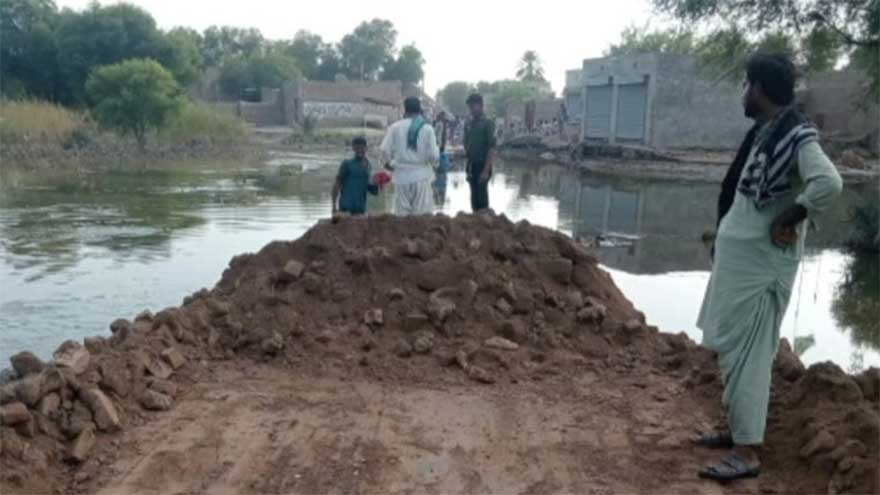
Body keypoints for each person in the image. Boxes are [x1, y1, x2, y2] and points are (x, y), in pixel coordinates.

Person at [694, 53, 842, 483]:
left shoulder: (797, 136)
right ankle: (738, 430)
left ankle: (747, 450)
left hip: (762, 269)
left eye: (746, 85)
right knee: (733, 350)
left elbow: (829, 183)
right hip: (743, 266)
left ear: (759, 88)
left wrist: (790, 216)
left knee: (752, 354)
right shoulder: (767, 133)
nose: (744, 93)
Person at [380, 97, 440, 216]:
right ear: (419, 110)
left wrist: (387, 164)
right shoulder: (427, 128)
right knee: (422, 215)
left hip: (401, 176)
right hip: (421, 176)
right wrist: (434, 165)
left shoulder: (395, 127)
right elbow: (434, 155)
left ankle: (404, 235)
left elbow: (384, 150)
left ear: (405, 110)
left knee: (402, 216)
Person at [331, 136, 380, 216]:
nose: (360, 151)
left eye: (362, 148)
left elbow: (373, 191)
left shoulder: (368, 166)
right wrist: (333, 206)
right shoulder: (347, 164)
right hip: (346, 208)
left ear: (366, 148)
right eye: (357, 148)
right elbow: (337, 185)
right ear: (353, 148)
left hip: (360, 210)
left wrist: (377, 184)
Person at [463, 93, 496, 212]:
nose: (471, 109)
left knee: (482, 200)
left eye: (473, 105)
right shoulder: (469, 123)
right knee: (473, 198)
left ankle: (484, 227)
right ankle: (475, 226)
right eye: (470, 106)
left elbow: (491, 148)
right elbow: (467, 144)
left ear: (481, 105)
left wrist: (486, 170)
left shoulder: (487, 123)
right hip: (471, 165)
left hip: (482, 165)